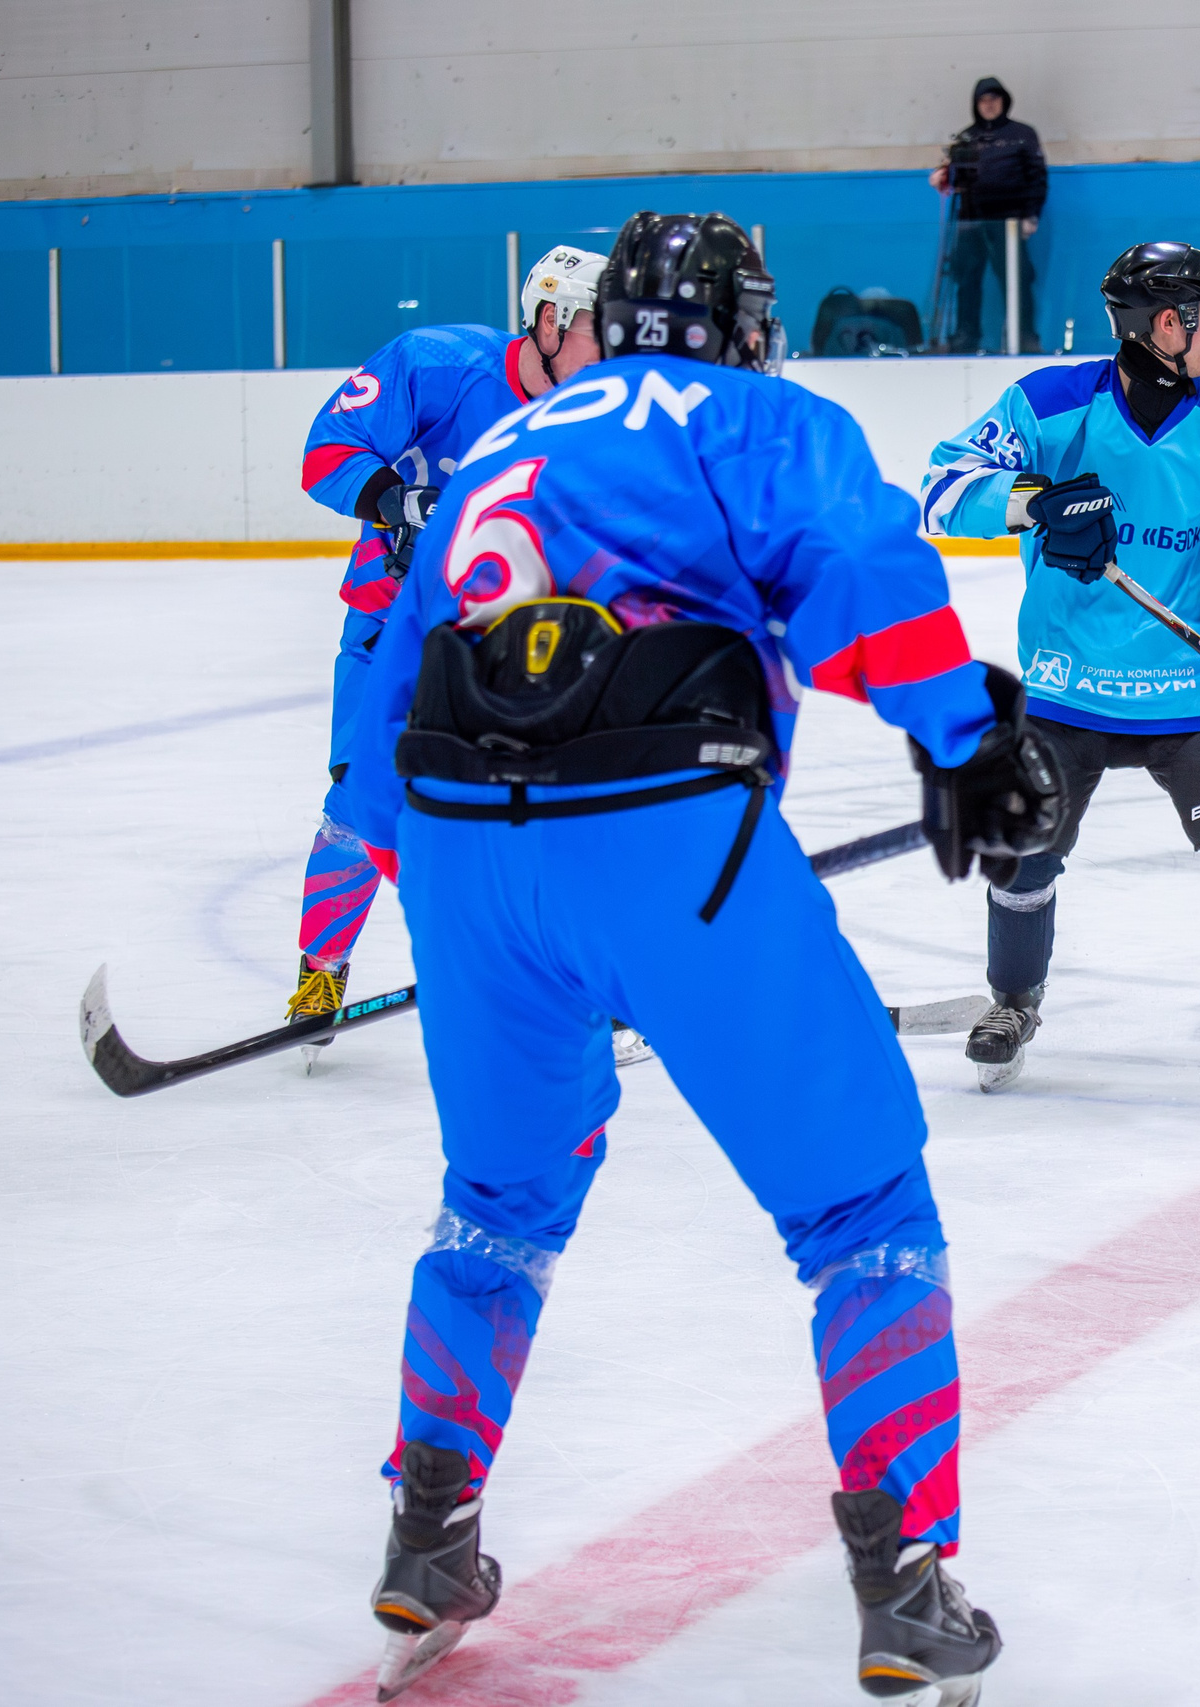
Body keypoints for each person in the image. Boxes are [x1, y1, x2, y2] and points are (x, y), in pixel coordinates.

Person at [338, 211, 1060, 1703]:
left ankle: (428, 1529)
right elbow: (860, 564)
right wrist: (968, 739)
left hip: (466, 847)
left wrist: (417, 866)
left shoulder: (506, 438)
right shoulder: (755, 412)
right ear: (739, 320)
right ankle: (907, 1577)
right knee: (862, 1199)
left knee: (497, 1203)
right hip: (667, 839)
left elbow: (388, 666)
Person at [917, 241, 1200, 1100]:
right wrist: (1033, 502)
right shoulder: (1050, 405)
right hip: (1065, 685)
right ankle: (1014, 1000)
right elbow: (940, 487)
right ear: (1168, 323)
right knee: (1023, 853)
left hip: (1188, 685)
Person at [289, 244, 607, 1046]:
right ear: (547, 321)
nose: (615, 349)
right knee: (358, 809)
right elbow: (325, 449)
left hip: (509, 638)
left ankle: (572, 973)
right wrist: (397, 500)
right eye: (599, 329)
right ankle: (321, 969)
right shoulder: (435, 363)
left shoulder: (597, 416)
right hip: (389, 624)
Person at [929, 76, 1047, 354]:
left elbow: (1037, 178)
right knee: (966, 280)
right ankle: (965, 336)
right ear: (976, 104)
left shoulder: (1023, 134)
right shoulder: (966, 137)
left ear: (1004, 102)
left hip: (1010, 223)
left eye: (994, 99)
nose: (989, 105)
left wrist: (1032, 216)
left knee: (1017, 281)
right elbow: (954, 179)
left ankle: (1024, 336)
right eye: (983, 100)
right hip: (970, 222)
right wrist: (943, 177)